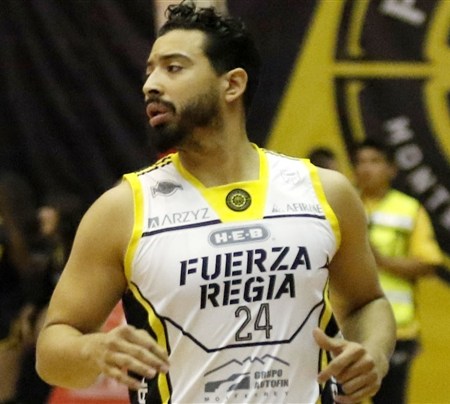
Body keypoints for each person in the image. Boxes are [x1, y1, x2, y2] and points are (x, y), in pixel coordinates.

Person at [36, 2, 396, 403]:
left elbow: (367, 303)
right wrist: (93, 350)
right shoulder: (123, 208)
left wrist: (374, 352)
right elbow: (52, 350)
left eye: (173, 68)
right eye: (150, 71)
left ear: (232, 85)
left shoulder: (325, 192)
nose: (151, 84)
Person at [352, 139, 443, 404]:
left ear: (392, 169)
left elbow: (428, 263)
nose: (366, 168)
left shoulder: (409, 209)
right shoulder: (344, 204)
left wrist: (381, 261)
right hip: (348, 327)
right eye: (360, 162)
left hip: (396, 329)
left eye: (375, 161)